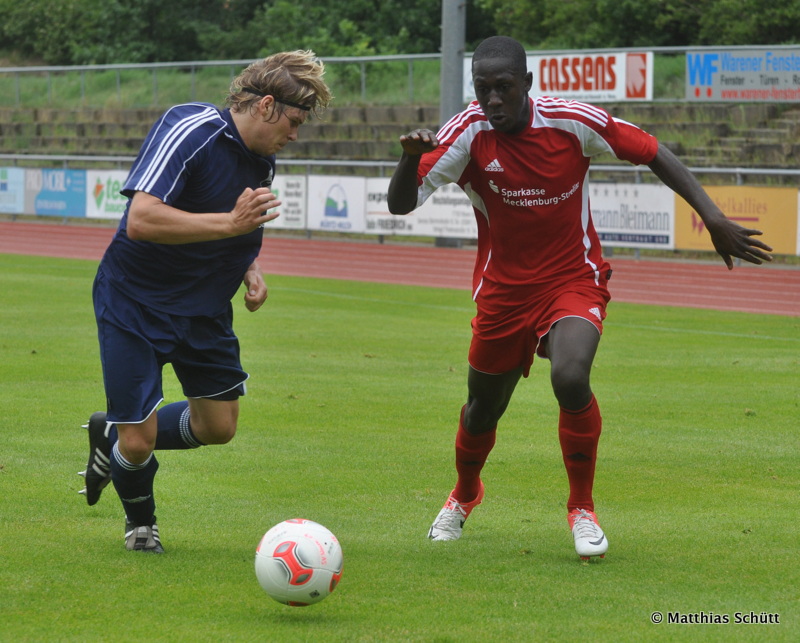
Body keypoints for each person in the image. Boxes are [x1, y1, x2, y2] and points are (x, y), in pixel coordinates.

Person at [387, 36, 773, 561]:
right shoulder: (467, 134)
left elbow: (654, 151)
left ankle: (582, 509)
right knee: (482, 410)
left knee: (570, 375)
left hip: (573, 278)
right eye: (483, 90)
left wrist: (712, 216)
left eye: (504, 88)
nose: (494, 100)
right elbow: (401, 205)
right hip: (502, 293)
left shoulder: (570, 122)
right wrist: (409, 160)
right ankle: (464, 494)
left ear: (527, 84)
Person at [78, 50, 332, 553]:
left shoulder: (263, 159)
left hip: (204, 308)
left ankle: (111, 430)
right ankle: (141, 524)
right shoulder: (189, 128)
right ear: (265, 106)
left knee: (218, 427)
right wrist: (232, 226)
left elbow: (232, 224)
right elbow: (142, 219)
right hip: (136, 301)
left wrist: (248, 269)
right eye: (295, 121)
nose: (296, 134)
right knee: (138, 441)